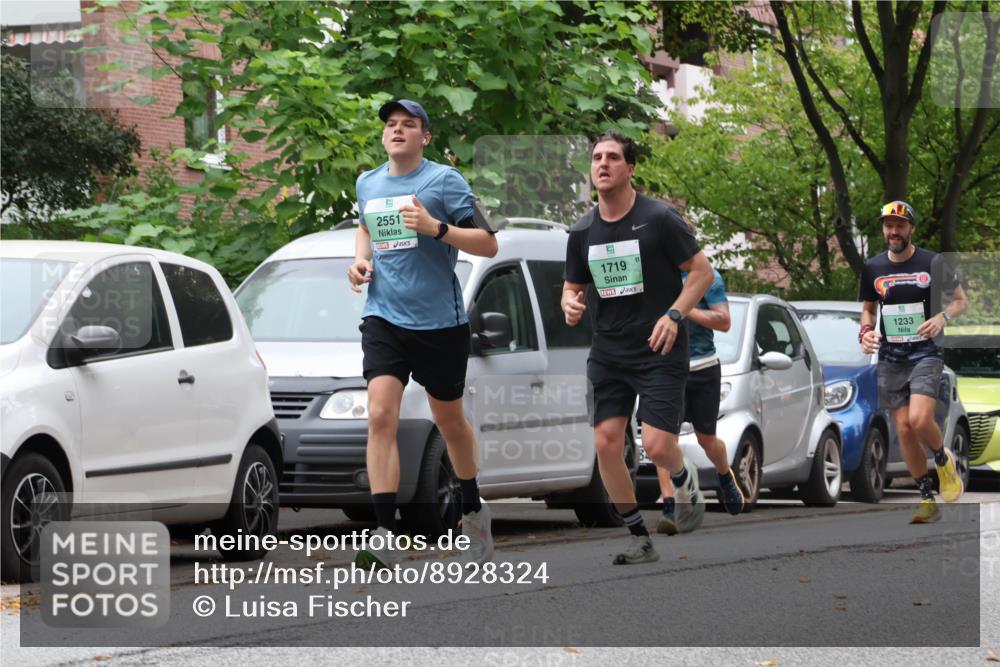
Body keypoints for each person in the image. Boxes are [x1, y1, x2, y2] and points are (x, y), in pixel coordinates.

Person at [347, 99, 499, 566]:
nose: (396, 131)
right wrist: (359, 261)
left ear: (424, 137)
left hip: (440, 322)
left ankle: (473, 509)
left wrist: (437, 228)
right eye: (390, 125)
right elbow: (365, 228)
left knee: (449, 421)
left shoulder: (444, 181)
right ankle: (383, 530)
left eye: (407, 125)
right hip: (384, 317)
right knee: (379, 415)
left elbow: (489, 244)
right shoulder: (368, 182)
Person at [562, 131, 714, 564]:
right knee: (607, 442)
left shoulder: (660, 219)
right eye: (596, 158)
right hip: (609, 351)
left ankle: (684, 480)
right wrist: (570, 304)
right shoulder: (582, 230)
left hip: (659, 346)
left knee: (658, 445)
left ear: (630, 168)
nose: (603, 164)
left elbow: (701, 272)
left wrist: (674, 315)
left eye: (612, 157)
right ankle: (638, 537)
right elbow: (572, 287)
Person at [859, 200, 968, 524]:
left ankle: (942, 459)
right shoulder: (873, 267)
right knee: (904, 427)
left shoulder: (932, 262)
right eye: (888, 225)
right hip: (891, 356)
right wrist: (865, 332)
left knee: (921, 420)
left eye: (900, 225)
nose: (893, 231)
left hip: (926, 351)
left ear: (911, 229)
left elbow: (962, 301)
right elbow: (868, 308)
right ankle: (926, 498)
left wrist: (942, 317)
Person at [655, 265, 745, 536]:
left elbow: (724, 321)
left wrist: (683, 309)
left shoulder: (707, 275)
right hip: (667, 367)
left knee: (707, 439)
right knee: (662, 439)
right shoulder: (654, 274)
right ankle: (669, 506)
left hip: (703, 365)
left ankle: (725, 475)